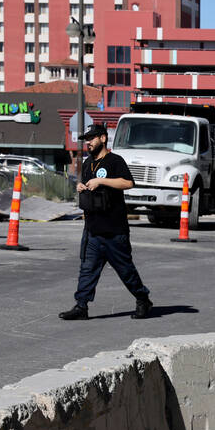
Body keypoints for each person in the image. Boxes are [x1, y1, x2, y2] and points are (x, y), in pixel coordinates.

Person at [59, 124, 153, 321]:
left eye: (92, 138)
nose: (88, 142)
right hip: (93, 229)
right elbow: (88, 186)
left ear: (103, 138)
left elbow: (128, 183)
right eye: (86, 139)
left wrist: (102, 181)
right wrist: (81, 186)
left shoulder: (114, 161)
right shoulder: (87, 164)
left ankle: (143, 299)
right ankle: (81, 306)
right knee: (87, 270)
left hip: (114, 230)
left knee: (126, 270)